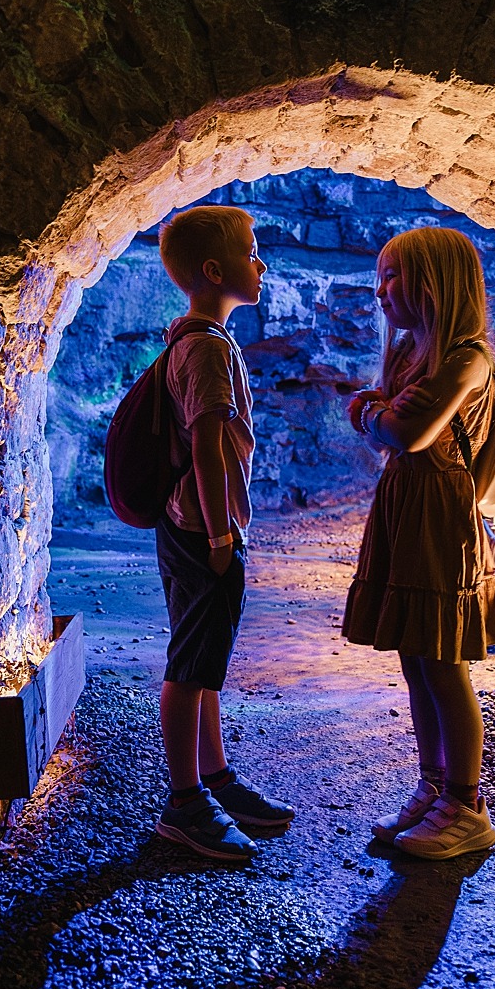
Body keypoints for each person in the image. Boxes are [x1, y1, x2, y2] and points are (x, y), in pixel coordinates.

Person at [342, 227, 495, 859]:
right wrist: (380, 415)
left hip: (440, 516)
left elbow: (405, 430)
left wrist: (369, 413)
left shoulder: (466, 358)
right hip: (406, 509)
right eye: (380, 275)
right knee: (416, 659)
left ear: (433, 285)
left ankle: (467, 805)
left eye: (392, 277)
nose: (379, 290)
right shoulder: (415, 352)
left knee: (444, 662)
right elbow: (390, 420)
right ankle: (434, 785)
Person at [148, 204, 295, 862]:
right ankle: (185, 803)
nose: (260, 262)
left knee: (204, 661)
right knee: (189, 665)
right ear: (214, 270)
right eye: (251, 250)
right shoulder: (206, 347)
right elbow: (207, 448)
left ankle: (215, 778)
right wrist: (218, 536)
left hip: (188, 523)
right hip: (202, 527)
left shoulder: (195, 336)